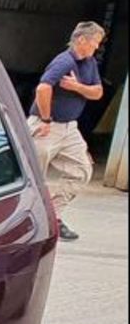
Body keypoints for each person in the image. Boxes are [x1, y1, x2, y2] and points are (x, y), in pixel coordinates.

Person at [31, 20, 105, 241]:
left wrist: (77, 87)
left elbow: (98, 92)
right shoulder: (64, 61)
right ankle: (29, 222)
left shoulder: (89, 62)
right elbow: (43, 88)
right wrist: (45, 119)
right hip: (47, 125)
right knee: (35, 176)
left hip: (70, 127)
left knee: (81, 170)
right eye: (95, 43)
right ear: (82, 40)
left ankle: (52, 215)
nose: (97, 48)